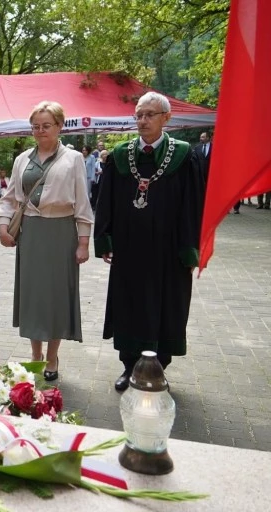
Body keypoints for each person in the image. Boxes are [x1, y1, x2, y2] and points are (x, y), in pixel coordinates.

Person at [94, 92, 205, 392]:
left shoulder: (184, 156)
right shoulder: (120, 155)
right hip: (130, 249)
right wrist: (104, 238)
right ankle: (130, 367)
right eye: (139, 114)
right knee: (129, 305)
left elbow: (194, 204)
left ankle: (158, 369)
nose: (142, 120)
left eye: (150, 114)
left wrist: (190, 246)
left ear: (166, 119)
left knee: (167, 306)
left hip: (168, 250)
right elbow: (105, 201)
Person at [0, 101, 93, 382]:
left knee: (56, 297)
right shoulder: (22, 159)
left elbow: (83, 205)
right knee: (33, 297)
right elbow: (10, 198)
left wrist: (83, 242)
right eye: (35, 126)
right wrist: (4, 227)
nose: (40, 131)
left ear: (60, 126)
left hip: (62, 233)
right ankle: (35, 355)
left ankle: (52, 356)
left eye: (46, 125)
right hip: (31, 233)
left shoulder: (73, 159)